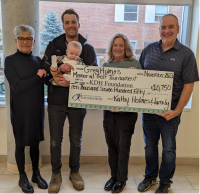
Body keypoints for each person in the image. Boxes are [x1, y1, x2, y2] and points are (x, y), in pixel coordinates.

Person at [137, 14, 199, 193]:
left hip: (171, 112)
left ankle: (165, 182)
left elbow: (188, 86)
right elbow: (139, 79)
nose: (166, 30)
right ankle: (150, 177)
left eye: (171, 27)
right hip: (148, 111)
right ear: (159, 30)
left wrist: (177, 110)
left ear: (178, 29)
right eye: (163, 27)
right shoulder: (148, 50)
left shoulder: (186, 54)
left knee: (169, 149)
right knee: (149, 146)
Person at [42, 9, 97, 193]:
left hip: (78, 102)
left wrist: (72, 79)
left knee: (76, 140)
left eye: (74, 22)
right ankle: (55, 175)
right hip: (56, 103)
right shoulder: (53, 45)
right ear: (63, 25)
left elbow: (93, 76)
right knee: (55, 141)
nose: (71, 25)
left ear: (78, 24)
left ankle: (75, 172)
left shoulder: (87, 49)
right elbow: (44, 68)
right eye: (67, 22)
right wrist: (57, 68)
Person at [4, 25, 48, 193]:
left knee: (35, 143)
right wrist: (37, 76)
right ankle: (22, 176)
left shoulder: (38, 60)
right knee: (21, 143)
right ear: (16, 40)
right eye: (21, 38)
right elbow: (17, 86)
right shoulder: (10, 60)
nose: (25, 42)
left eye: (28, 38)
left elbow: (47, 80)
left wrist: (52, 72)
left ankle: (36, 174)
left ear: (33, 41)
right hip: (20, 109)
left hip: (37, 108)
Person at [102, 33, 141, 193]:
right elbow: (101, 91)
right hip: (109, 113)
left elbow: (140, 91)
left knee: (123, 146)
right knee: (111, 145)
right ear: (112, 47)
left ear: (126, 48)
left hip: (127, 114)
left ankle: (121, 179)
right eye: (115, 45)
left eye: (121, 45)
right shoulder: (105, 66)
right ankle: (113, 176)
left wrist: (136, 77)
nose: (118, 48)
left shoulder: (134, 64)